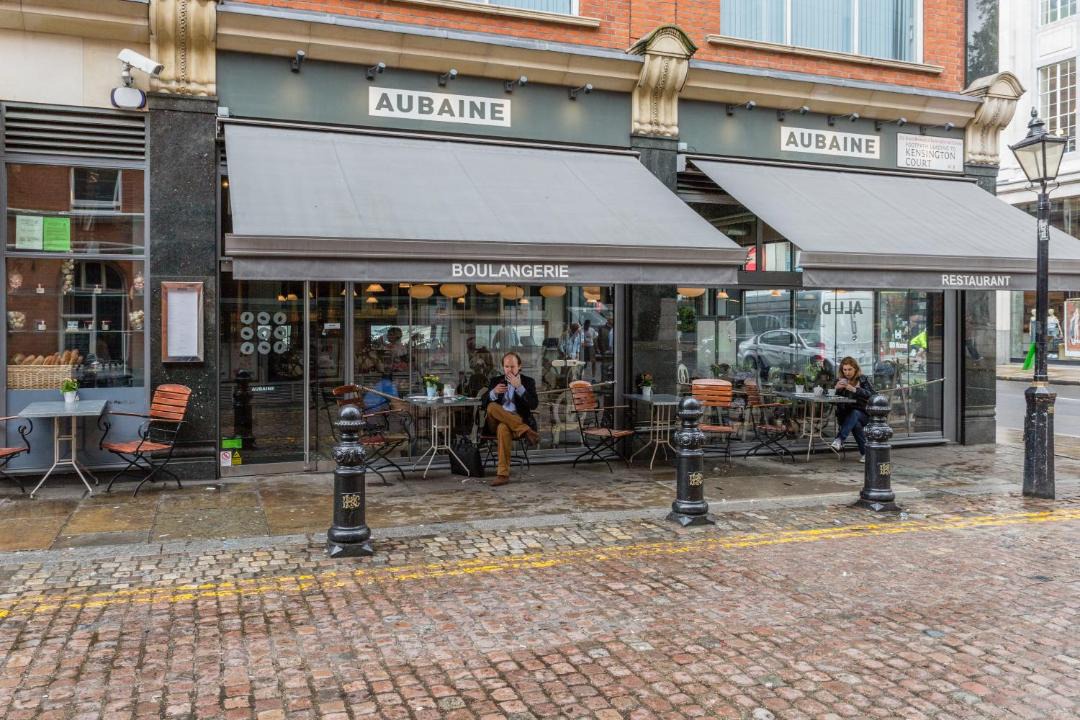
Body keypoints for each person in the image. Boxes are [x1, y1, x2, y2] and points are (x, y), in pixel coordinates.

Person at [482, 352, 540, 486]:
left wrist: (519, 388)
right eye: (506, 366)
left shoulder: (527, 382)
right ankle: (526, 430)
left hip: (514, 421)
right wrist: (494, 392)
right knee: (491, 406)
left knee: (503, 428)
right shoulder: (496, 381)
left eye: (512, 366)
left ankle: (502, 475)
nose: (509, 370)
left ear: (519, 366)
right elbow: (482, 402)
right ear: (503, 367)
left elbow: (533, 404)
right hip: (494, 422)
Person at [830, 356, 875, 463]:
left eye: (850, 369)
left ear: (855, 369)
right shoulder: (839, 381)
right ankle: (865, 453)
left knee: (855, 413)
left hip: (864, 414)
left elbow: (873, 396)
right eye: (844, 369)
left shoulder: (863, 379)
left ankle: (840, 439)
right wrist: (835, 390)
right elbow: (831, 402)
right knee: (856, 424)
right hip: (845, 416)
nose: (847, 372)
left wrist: (855, 390)